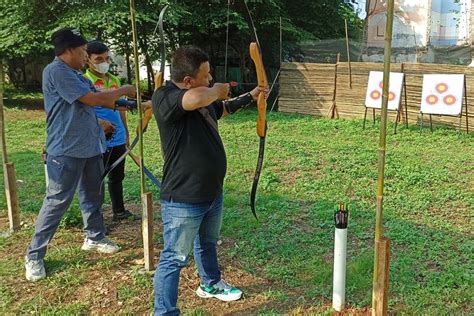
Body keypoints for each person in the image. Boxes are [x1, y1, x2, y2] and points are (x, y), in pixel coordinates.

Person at [152, 45, 266, 315]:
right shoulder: (165, 97)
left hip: (212, 192)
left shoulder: (203, 99)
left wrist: (252, 95)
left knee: (207, 243)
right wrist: (215, 90)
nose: (211, 79)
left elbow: (221, 109)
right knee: (174, 258)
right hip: (183, 198)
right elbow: (193, 100)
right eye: (206, 75)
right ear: (188, 81)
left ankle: (210, 284)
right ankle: (164, 311)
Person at [25, 27, 137, 282]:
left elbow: (100, 97)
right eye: (84, 51)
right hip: (65, 150)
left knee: (92, 194)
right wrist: (123, 90)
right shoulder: (55, 71)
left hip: (90, 146)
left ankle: (94, 237)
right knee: (57, 201)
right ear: (68, 51)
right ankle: (34, 255)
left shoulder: (76, 74)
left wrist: (133, 104)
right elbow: (91, 100)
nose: (87, 56)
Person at [84, 40, 141, 221]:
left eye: (107, 58)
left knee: (117, 176)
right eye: (99, 59)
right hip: (99, 137)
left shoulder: (114, 80)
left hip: (117, 137)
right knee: (96, 179)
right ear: (88, 60)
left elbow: (121, 110)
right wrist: (99, 123)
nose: (104, 62)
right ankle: (96, 219)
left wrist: (125, 132)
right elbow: (83, 111)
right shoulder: (86, 81)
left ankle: (119, 211)